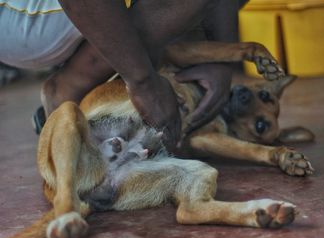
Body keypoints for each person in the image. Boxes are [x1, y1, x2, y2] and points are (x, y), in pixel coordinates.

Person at [0, 0, 240, 151]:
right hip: (15, 18)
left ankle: (95, 75)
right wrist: (143, 81)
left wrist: (222, 57)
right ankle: (70, 86)